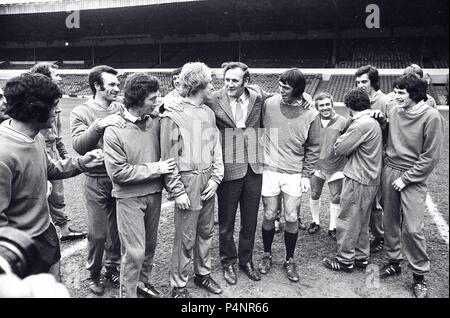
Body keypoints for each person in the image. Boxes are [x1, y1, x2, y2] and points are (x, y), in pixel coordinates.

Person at [0, 72, 103, 280]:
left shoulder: (34, 135)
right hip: (21, 246)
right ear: (35, 108)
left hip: (45, 233)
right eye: (54, 105)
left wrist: (82, 162)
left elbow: (50, 168)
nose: (57, 111)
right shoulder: (3, 154)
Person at [103, 73, 176, 298]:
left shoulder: (156, 122)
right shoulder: (114, 129)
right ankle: (128, 294)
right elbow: (118, 173)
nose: (157, 101)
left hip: (154, 194)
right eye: (152, 98)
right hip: (128, 198)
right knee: (134, 252)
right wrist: (157, 168)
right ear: (137, 98)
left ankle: (142, 283)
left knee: (149, 247)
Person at [160, 62, 224, 298]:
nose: (213, 87)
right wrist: (177, 191)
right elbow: (169, 157)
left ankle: (203, 274)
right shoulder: (172, 115)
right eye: (211, 82)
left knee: (206, 231)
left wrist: (216, 178)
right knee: (185, 237)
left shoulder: (208, 112)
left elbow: (215, 147)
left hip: (208, 180)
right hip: (187, 182)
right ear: (199, 84)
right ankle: (178, 285)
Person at [379, 74, 444, 298]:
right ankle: (393, 261)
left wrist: (406, 178)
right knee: (390, 221)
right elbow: (389, 136)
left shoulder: (432, 116)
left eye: (400, 93)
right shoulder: (394, 110)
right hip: (390, 170)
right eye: (395, 92)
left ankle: (419, 276)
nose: (395, 97)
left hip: (412, 177)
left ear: (414, 94)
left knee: (413, 228)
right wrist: (382, 122)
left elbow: (430, 156)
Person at [258, 68, 320, 283]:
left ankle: (289, 259)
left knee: (292, 217)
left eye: (287, 87)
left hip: (294, 172)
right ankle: (266, 254)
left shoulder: (311, 113)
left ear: (298, 89)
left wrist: (306, 174)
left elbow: (314, 146)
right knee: (269, 214)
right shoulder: (269, 103)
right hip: (269, 169)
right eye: (280, 85)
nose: (281, 90)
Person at [70, 65, 125, 295]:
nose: (117, 88)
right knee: (97, 233)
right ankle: (94, 273)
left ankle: (111, 268)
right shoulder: (81, 112)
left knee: (117, 231)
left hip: (120, 178)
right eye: (111, 84)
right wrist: (100, 124)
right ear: (97, 86)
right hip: (96, 179)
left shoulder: (121, 108)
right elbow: (79, 145)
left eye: (117, 84)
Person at [323, 87, 382, 273]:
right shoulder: (371, 121)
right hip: (370, 177)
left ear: (348, 106)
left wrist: (340, 140)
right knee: (362, 220)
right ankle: (361, 257)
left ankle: (345, 260)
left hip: (358, 177)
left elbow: (339, 148)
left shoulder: (360, 124)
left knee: (348, 218)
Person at [30, 62, 87, 242]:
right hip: (37, 149)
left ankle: (63, 230)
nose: (60, 78)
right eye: (56, 74)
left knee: (56, 192)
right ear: (45, 78)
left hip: (51, 148)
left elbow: (56, 132)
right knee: (38, 191)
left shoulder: (54, 102)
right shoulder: (33, 104)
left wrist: (63, 152)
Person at [355, 65, 389, 253]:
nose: (360, 85)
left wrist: (383, 121)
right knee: (369, 199)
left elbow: (392, 131)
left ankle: (381, 236)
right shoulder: (361, 100)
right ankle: (375, 233)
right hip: (364, 159)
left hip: (381, 158)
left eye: (364, 82)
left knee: (377, 200)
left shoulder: (385, 101)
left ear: (373, 82)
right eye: (358, 82)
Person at [307, 92, 347, 240]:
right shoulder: (312, 120)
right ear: (317, 107)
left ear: (332, 104)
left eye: (327, 104)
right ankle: (315, 221)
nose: (325, 108)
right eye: (321, 105)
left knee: (335, 197)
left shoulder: (343, 121)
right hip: (317, 165)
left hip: (336, 165)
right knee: (315, 193)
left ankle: (333, 226)